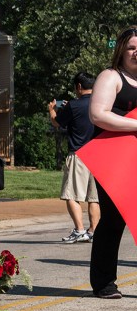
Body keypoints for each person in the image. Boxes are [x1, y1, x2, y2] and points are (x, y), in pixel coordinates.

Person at [87, 27, 137, 299]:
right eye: (131, 47)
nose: (136, 52)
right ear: (121, 50)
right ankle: (104, 282)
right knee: (114, 219)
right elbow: (98, 115)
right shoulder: (111, 76)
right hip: (114, 158)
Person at [48, 72, 99, 243]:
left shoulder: (73, 105)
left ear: (78, 86)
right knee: (94, 197)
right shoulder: (100, 103)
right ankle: (93, 231)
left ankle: (79, 230)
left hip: (79, 154)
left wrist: (51, 111)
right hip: (98, 154)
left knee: (71, 195)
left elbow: (57, 122)